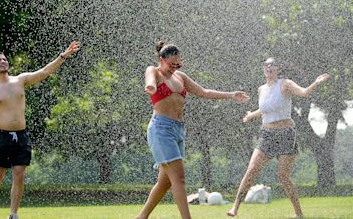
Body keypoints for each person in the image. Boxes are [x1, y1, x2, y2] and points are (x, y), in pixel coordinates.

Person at [136, 41, 250, 219]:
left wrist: (231, 95)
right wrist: (150, 86)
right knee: (179, 178)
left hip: (178, 130)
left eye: (178, 64)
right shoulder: (154, 71)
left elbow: (204, 92)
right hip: (161, 129)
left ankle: (141, 217)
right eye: (171, 64)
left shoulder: (180, 76)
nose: (175, 67)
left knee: (165, 182)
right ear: (161, 59)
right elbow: (149, 80)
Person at [0, 41, 80, 219]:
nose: (3, 61)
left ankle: (13, 214)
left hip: (21, 135)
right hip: (1, 136)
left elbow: (45, 71)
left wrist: (63, 56)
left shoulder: (20, 80)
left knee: (19, 174)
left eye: (5, 59)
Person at [226, 57, 330, 218]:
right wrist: (250, 116)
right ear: (263, 69)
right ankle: (234, 208)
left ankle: (298, 213)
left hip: (285, 133)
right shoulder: (261, 89)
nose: (268, 67)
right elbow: (265, 109)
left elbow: (303, 93)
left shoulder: (285, 84)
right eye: (266, 65)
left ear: (278, 69)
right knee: (251, 170)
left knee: (283, 175)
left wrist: (315, 83)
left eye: (272, 65)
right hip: (266, 135)